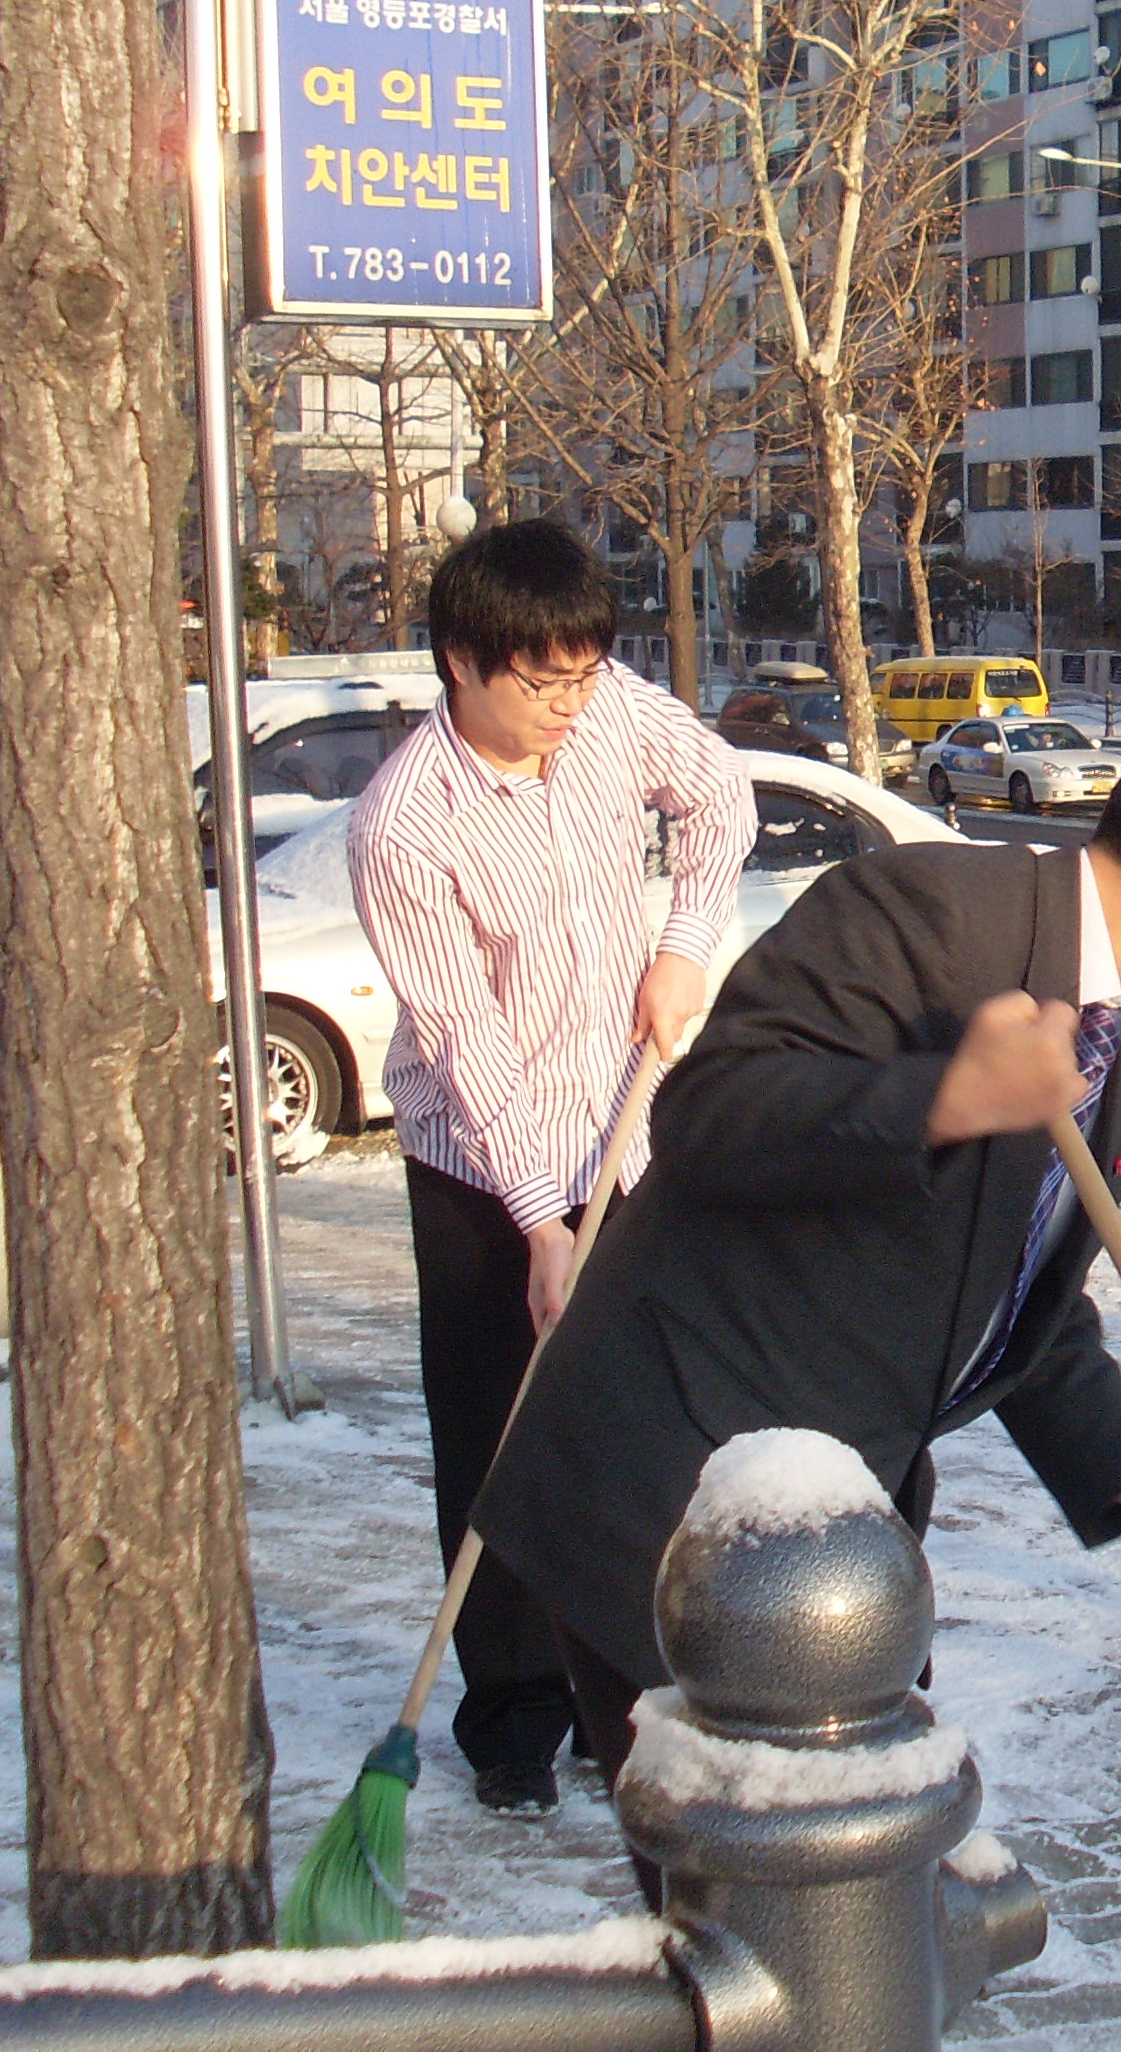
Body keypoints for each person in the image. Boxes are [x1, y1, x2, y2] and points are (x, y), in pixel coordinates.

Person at [473, 696, 1121, 1895]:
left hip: (830, 1542)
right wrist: (943, 1098)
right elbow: (707, 1117)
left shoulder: (1120, 1059)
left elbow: (1021, 1311)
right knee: (768, 1923)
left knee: (863, 1910)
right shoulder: (928, 914)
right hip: (671, 1498)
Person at [347, 519, 757, 1819]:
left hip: (623, 1127)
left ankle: (627, 1689)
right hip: (481, 1170)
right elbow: (467, 1045)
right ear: (463, 662)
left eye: (586, 673)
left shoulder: (611, 715)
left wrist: (685, 942)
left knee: (640, 1429)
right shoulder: (404, 826)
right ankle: (514, 1711)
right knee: (501, 1435)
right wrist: (540, 1224)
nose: (570, 704)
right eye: (544, 681)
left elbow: (723, 799)